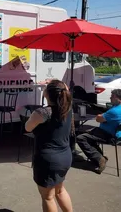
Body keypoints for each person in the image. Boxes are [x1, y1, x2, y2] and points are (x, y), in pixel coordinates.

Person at [25, 79, 73, 212]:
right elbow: (65, 90)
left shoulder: (42, 112)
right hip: (65, 156)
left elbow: (28, 127)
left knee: (48, 197)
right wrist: (54, 83)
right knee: (60, 190)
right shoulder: (68, 107)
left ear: (46, 94)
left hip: (48, 160)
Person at [77, 89, 121, 174]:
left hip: (108, 135)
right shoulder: (116, 108)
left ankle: (99, 159)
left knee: (81, 138)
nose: (110, 98)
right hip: (116, 134)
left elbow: (98, 119)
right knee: (89, 135)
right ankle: (99, 157)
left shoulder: (114, 111)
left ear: (118, 98)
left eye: (112, 96)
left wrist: (100, 116)